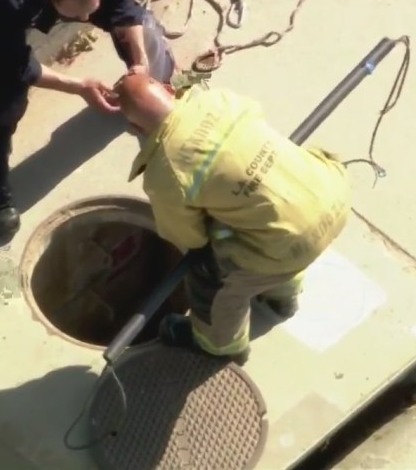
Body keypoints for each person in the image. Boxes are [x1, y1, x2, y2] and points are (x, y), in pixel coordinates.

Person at [113, 73, 351, 364]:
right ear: (167, 89)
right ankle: (282, 298)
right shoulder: (220, 99)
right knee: (272, 222)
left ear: (134, 127)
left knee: (209, 275)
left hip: (289, 243)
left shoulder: (165, 173)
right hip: (331, 192)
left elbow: (189, 239)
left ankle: (223, 345)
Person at [0, 0, 173, 237]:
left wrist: (141, 61)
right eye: (79, 14)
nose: (88, 17)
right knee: (9, 91)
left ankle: (158, 90)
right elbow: (15, 65)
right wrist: (79, 87)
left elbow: (119, 3)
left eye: (91, 9)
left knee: (139, 24)